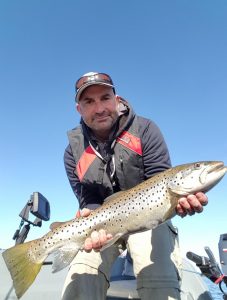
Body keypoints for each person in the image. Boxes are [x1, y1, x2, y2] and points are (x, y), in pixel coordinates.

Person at [62, 72, 208, 300]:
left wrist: (179, 203)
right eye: (89, 102)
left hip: (149, 216)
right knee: (80, 275)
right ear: (79, 109)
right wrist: (90, 215)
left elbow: (160, 179)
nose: (99, 108)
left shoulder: (146, 130)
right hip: (102, 222)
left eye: (105, 97)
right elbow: (87, 198)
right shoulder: (73, 152)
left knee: (160, 282)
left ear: (116, 99)